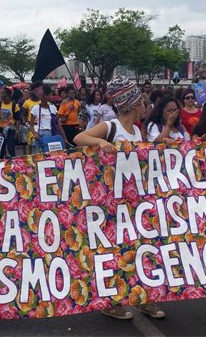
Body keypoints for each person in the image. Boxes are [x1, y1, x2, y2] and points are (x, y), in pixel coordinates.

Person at [72, 77, 166, 320]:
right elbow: (79, 138)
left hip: (136, 201)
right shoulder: (111, 127)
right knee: (113, 252)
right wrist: (101, 142)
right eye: (143, 103)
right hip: (111, 203)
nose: (146, 107)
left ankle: (144, 297)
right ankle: (110, 301)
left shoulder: (138, 130)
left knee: (141, 249)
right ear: (134, 105)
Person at [0, 88, 22, 159]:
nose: (1, 95)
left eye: (3, 93)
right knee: (1, 149)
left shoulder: (14, 106)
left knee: (11, 147)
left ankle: (13, 162)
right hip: (0, 129)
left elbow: (17, 120)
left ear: (7, 95)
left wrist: (17, 131)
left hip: (11, 129)